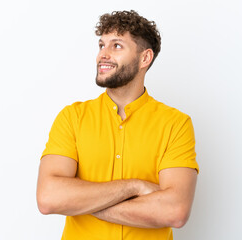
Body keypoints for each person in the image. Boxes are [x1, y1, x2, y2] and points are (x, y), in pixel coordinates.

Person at [36, 10, 199, 240]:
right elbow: (48, 198)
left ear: (145, 58)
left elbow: (175, 211)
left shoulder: (176, 124)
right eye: (101, 45)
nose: (103, 54)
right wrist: (133, 187)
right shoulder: (72, 117)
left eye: (117, 46)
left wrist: (81, 203)